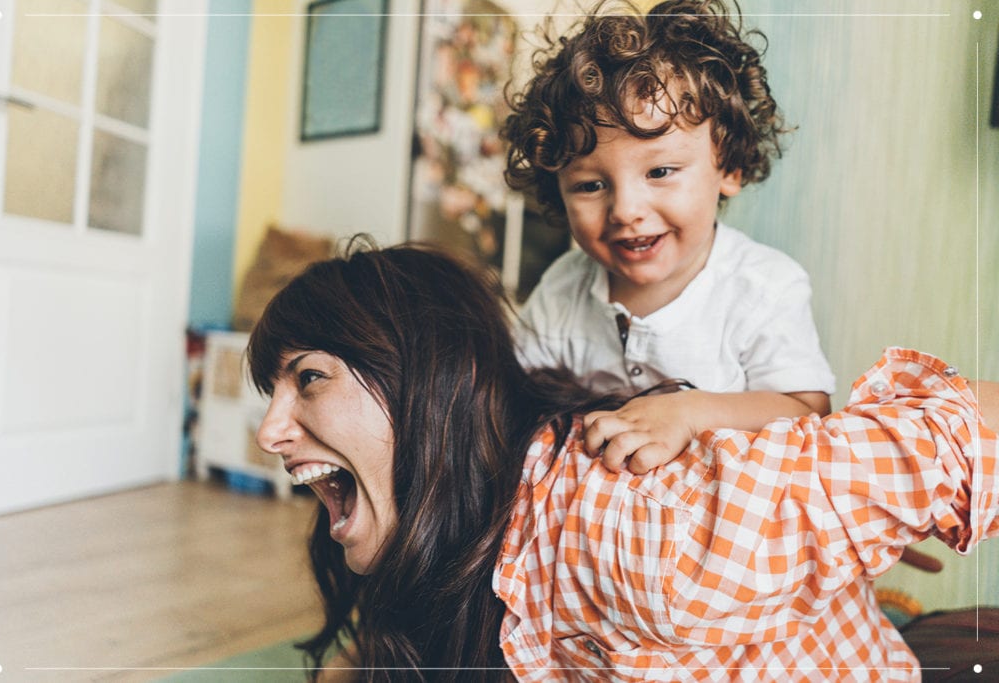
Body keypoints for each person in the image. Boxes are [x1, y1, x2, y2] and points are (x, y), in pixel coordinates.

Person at [249, 241, 998, 682]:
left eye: (308, 377)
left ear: (430, 387)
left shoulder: (638, 524)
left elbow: (964, 432)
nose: (269, 431)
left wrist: (858, 522)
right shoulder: (469, 519)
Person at [502, 0, 835, 473]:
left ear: (731, 166)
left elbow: (809, 413)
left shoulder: (764, 286)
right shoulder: (563, 289)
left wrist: (690, 412)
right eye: (591, 185)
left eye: (660, 171)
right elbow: (511, 398)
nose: (626, 211)